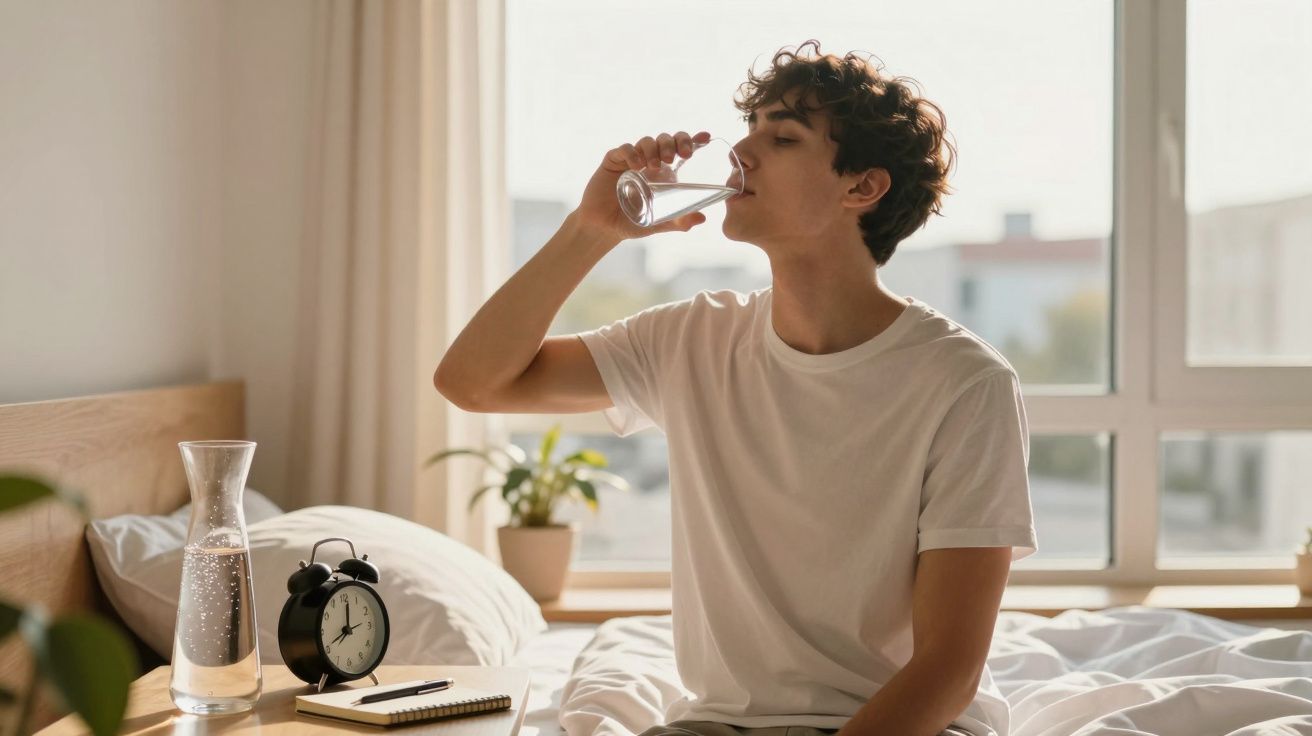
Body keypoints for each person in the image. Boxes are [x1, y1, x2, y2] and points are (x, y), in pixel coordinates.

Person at [435, 39, 1037, 736]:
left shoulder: (965, 383)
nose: (741, 153)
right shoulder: (693, 339)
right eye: (749, 131)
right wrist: (591, 231)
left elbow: (949, 670)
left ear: (861, 187)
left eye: (782, 137)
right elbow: (471, 382)